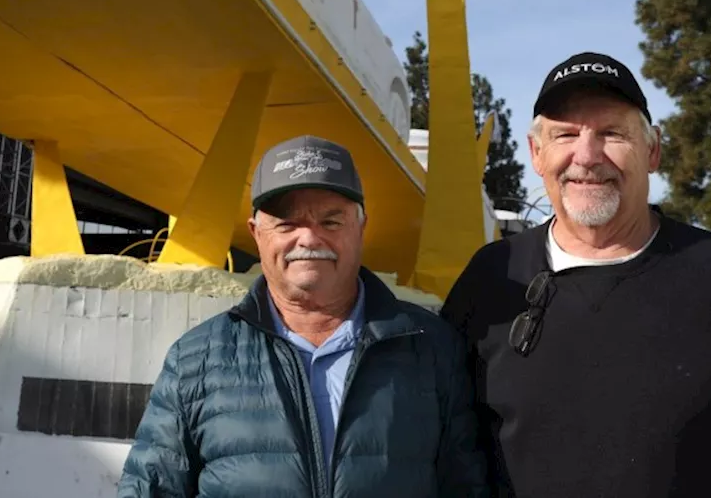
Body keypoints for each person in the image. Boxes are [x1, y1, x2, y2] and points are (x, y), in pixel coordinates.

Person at [441, 51, 711, 497]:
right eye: (565, 134)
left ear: (652, 151)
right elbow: (436, 448)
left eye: (611, 133)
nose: (587, 156)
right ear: (537, 153)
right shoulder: (492, 279)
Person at [119, 134, 487, 497]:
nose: (309, 239)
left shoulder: (432, 348)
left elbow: (466, 486)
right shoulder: (195, 360)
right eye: (287, 224)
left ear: (361, 228)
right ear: (256, 234)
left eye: (331, 222)